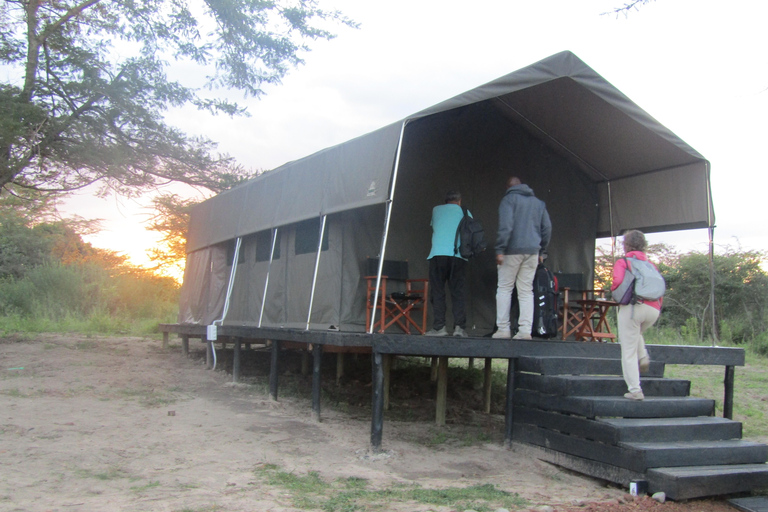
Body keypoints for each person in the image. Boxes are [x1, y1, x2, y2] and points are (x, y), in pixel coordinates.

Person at [492, 177, 551, 340]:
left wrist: (500, 248)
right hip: (532, 252)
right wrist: (542, 251)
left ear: (508, 187)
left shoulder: (508, 200)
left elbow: (506, 226)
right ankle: (525, 331)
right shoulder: (539, 203)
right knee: (526, 291)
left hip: (511, 250)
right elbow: (547, 228)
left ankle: (503, 329)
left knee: (504, 288)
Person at [610, 230, 662, 401]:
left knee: (628, 350)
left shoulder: (623, 262)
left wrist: (613, 293)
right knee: (635, 333)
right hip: (653, 310)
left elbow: (617, 282)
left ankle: (635, 390)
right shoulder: (651, 265)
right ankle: (643, 356)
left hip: (633, 307)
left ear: (626, 245)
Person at [425, 190, 471, 337]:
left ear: (445, 201)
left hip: (438, 254)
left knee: (438, 291)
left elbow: (435, 227)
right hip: (457, 255)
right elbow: (469, 231)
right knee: (458, 292)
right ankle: (459, 328)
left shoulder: (436, 210)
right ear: (459, 201)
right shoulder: (464, 211)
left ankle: (439, 328)